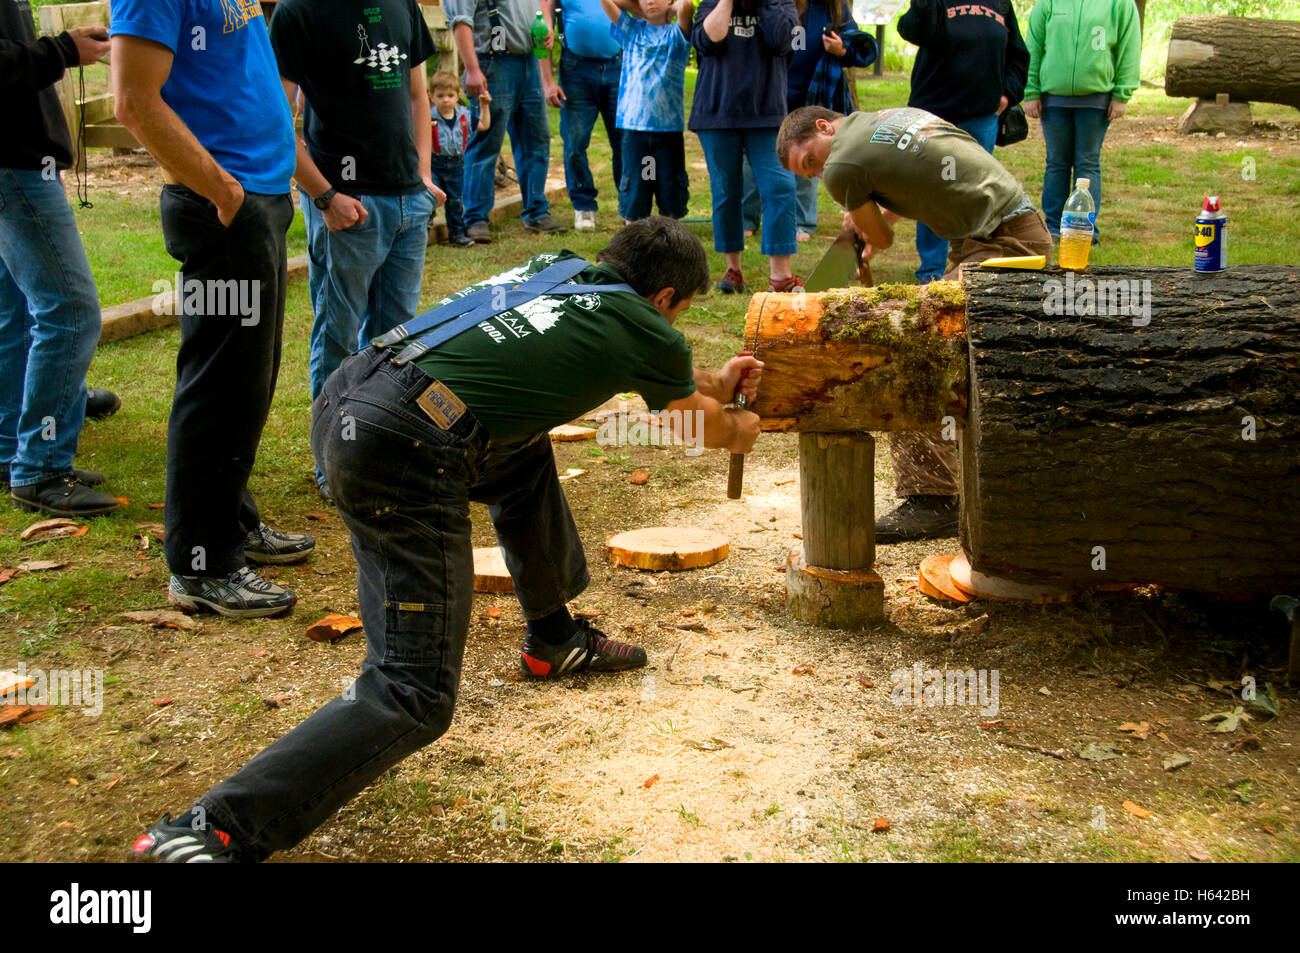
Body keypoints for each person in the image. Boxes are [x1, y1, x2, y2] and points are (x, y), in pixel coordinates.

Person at [129, 218, 764, 862]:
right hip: (403, 447)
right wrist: (741, 428)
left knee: (520, 452)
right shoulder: (645, 327)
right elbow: (703, 427)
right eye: (680, 315)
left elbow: (677, 386)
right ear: (663, 302)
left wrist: (715, 383)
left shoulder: (560, 272)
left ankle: (555, 638)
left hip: (353, 395)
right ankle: (212, 829)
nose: (673, 328)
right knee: (413, 691)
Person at [112, 0, 315, 618]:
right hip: (224, 205)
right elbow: (134, 101)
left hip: (258, 198)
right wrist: (223, 191)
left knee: (248, 381)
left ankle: (232, 522)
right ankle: (201, 563)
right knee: (218, 384)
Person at [777, 105, 1051, 541]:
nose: (818, 173)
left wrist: (865, 223)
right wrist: (873, 218)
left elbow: (883, 240)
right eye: (808, 174)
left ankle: (933, 498)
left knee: (910, 349)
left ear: (824, 127)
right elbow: (912, 176)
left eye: (811, 160)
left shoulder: (840, 166)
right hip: (1009, 230)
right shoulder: (885, 118)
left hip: (1003, 244)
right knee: (947, 349)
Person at [269, 0, 446, 502]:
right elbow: (276, 118)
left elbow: (417, 92)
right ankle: (335, 461)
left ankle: (382, 450)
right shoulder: (298, 12)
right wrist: (323, 194)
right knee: (340, 340)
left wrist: (422, 176)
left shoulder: (400, 4)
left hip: (407, 201)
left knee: (397, 340)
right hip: (347, 205)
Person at [0, 4, 121, 517]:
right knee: (69, 311)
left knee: (17, 315)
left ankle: (11, 450)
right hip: (14, 164)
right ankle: (42, 468)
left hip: (20, 161)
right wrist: (64, 50)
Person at [897, 0, 1028, 281]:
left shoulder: (1000, 4)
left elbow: (1018, 55)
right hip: (934, 115)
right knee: (934, 189)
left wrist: (1007, 94)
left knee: (975, 189)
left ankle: (971, 263)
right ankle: (931, 270)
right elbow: (914, 31)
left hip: (981, 116)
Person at [691, 0, 804, 294]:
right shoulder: (711, 3)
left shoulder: (783, 4)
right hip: (716, 114)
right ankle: (733, 270)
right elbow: (707, 40)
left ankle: (781, 276)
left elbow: (782, 41)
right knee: (726, 192)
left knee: (780, 186)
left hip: (767, 114)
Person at [742, 0, 876, 242]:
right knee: (756, 158)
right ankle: (747, 219)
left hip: (812, 97)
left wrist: (842, 50)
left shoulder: (833, 7)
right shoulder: (776, 4)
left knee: (809, 157)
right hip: (770, 95)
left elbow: (863, 50)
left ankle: (801, 221)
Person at [446, 0, 568, 242]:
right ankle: (475, 218)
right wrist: (472, 69)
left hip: (528, 62)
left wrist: (547, 33)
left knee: (536, 141)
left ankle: (536, 211)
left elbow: (541, 3)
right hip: (492, 63)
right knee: (486, 143)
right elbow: (460, 21)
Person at [1022, 0, 1140, 242]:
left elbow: (1130, 47)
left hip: (1096, 99)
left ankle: (1083, 229)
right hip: (1054, 98)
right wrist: (1031, 91)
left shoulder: (1120, 3)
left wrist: (1122, 93)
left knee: (1087, 163)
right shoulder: (1048, 3)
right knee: (1056, 163)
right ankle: (1054, 228)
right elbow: (1033, 46)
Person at [599, 0, 692, 222]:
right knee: (636, 197)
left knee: (670, 198)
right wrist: (637, 8)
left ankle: (670, 247)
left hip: (667, 132)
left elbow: (687, 6)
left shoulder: (676, 35)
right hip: (635, 133)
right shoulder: (631, 31)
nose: (650, 0)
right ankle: (634, 246)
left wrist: (670, 9)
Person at [541, 0, 623, 231]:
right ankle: (583, 206)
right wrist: (548, 81)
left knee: (625, 143)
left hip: (618, 64)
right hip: (576, 68)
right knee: (574, 144)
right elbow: (544, 20)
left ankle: (630, 206)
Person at [429, 70, 491, 248]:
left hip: (457, 165)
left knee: (456, 201)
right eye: (440, 96)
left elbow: (484, 125)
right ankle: (424, 228)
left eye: (450, 95)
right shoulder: (428, 118)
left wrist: (484, 106)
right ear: (432, 97)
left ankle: (456, 234)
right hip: (435, 164)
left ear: (457, 96)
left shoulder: (464, 117)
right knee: (430, 197)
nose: (446, 100)